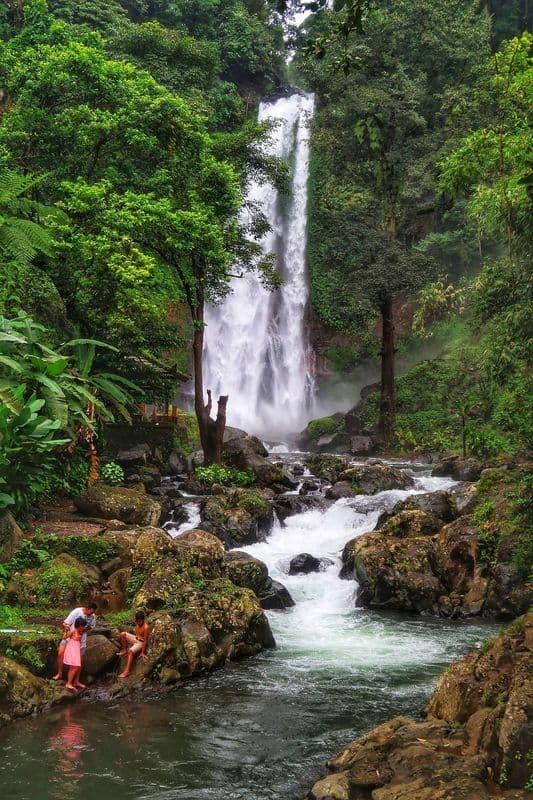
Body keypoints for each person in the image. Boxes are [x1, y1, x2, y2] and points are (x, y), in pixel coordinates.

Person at [53, 602, 97, 681]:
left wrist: (83, 630)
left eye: (94, 612)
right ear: (87, 609)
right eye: (92, 611)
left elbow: (91, 626)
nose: (92, 614)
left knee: (79, 660)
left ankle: (76, 680)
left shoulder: (92, 616)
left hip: (80, 640)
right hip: (70, 636)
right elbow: (65, 623)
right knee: (60, 653)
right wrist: (66, 627)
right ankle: (59, 673)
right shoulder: (76, 611)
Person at [118, 611, 149, 679]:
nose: (138, 623)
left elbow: (145, 641)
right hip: (136, 638)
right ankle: (124, 650)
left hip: (141, 642)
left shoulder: (146, 627)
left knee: (131, 651)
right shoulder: (138, 624)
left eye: (140, 621)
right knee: (122, 634)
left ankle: (127, 671)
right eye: (137, 621)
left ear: (143, 620)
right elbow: (136, 635)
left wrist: (142, 652)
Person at [63, 617, 87, 692]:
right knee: (74, 666)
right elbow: (64, 637)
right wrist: (66, 631)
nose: (83, 628)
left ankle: (72, 682)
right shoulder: (73, 631)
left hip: (76, 649)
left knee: (75, 666)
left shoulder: (80, 632)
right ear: (79, 625)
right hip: (71, 649)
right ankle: (69, 683)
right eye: (83, 626)